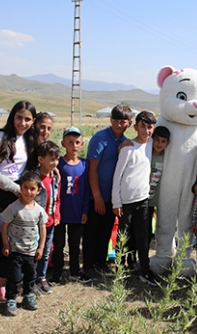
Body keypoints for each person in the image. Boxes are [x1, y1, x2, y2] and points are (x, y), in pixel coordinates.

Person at [0, 101, 38, 302]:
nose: (22, 123)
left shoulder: (32, 141)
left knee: (13, 244)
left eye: (27, 119)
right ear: (12, 117)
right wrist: (16, 189)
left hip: (20, 197)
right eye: (19, 117)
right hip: (0, 196)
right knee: (2, 240)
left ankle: (3, 285)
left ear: (33, 121)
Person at [83, 104, 134, 279]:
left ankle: (100, 263)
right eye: (116, 121)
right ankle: (88, 266)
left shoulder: (125, 142)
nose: (119, 125)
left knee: (105, 231)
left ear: (129, 123)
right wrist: (97, 196)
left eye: (123, 122)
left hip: (112, 197)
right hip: (96, 195)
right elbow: (92, 169)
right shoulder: (100, 138)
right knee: (91, 232)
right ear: (111, 120)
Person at [111, 111, 158, 285]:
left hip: (143, 200)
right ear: (135, 126)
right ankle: (119, 270)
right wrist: (116, 201)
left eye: (150, 127)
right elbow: (117, 176)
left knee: (143, 236)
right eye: (143, 126)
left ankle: (145, 270)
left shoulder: (151, 143)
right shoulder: (128, 148)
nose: (146, 131)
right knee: (123, 236)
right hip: (126, 202)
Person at [1, 172, 47, 316]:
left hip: (31, 251)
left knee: (30, 275)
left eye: (32, 189)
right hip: (16, 250)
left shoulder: (39, 210)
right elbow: (4, 226)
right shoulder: (13, 208)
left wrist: (41, 247)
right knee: (15, 276)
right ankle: (11, 299)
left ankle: (28, 295)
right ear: (20, 188)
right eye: (25, 188)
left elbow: (42, 229)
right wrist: (6, 244)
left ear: (38, 190)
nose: (28, 192)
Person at [54, 126, 91, 283]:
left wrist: (85, 210)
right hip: (61, 213)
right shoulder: (58, 165)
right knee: (59, 244)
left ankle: (74, 271)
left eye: (77, 142)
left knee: (75, 245)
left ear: (82, 144)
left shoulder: (85, 165)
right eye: (70, 142)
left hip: (77, 212)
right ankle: (57, 272)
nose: (74, 146)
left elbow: (86, 190)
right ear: (63, 144)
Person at [26, 141, 60, 292]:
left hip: (50, 222)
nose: (55, 163)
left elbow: (57, 198)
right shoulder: (34, 179)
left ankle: (42, 277)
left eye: (56, 159)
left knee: (46, 251)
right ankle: (30, 280)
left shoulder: (55, 178)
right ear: (40, 159)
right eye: (51, 159)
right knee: (34, 252)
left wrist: (57, 214)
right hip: (35, 224)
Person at [147, 126, 170, 265]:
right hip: (144, 199)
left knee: (156, 230)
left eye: (163, 141)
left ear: (167, 143)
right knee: (143, 229)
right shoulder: (146, 153)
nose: (159, 144)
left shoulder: (168, 156)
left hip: (159, 198)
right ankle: (132, 257)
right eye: (157, 140)